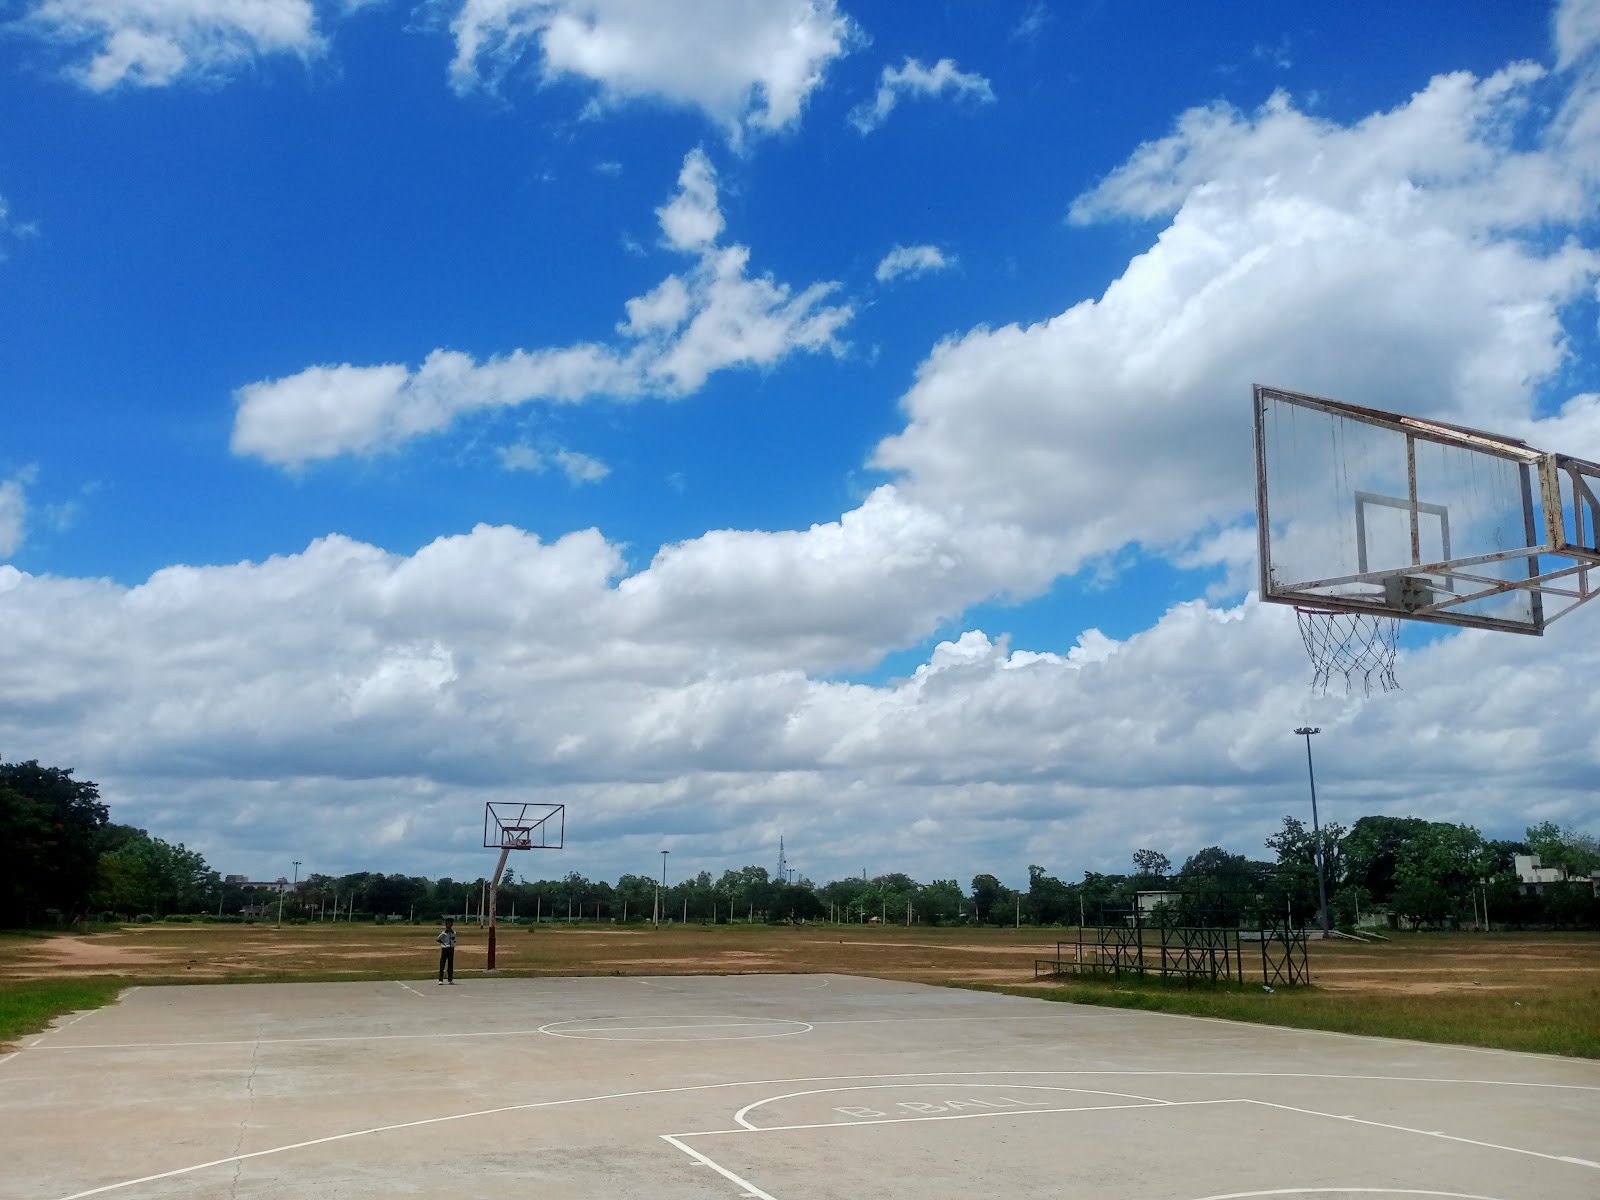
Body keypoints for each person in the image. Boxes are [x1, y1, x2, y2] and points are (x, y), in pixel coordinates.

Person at [436, 917, 457, 984]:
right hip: (445, 949)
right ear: (446, 925)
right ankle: (440, 979)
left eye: (451, 924)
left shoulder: (454, 933)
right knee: (442, 964)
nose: (449, 925)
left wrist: (453, 944)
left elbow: (454, 940)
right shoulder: (443, 933)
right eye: (448, 924)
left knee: (450, 964)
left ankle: (450, 979)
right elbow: (438, 939)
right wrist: (443, 943)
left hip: (451, 949)